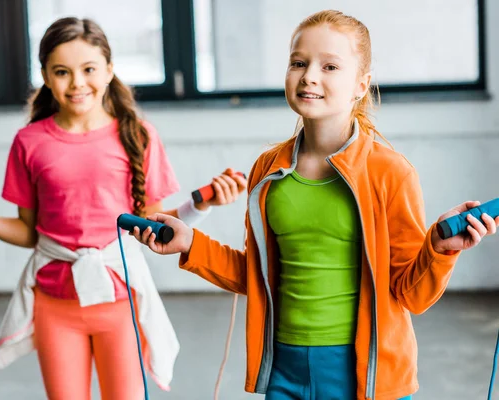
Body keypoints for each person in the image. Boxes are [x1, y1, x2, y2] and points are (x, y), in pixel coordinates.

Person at [133, 9, 499, 400]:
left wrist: (440, 250)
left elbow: (410, 294)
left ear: (361, 84)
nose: (309, 76)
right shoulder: (268, 168)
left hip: (365, 377)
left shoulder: (390, 173)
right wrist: (190, 244)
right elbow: (259, 275)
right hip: (285, 370)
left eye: (329, 66)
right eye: (298, 63)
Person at [0, 17, 247, 400]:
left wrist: (202, 203)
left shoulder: (139, 135)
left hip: (120, 307)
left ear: (108, 70)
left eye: (89, 69)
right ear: (44, 75)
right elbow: (29, 233)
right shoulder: (29, 142)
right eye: (62, 72)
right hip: (55, 308)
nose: (76, 83)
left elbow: (157, 227)